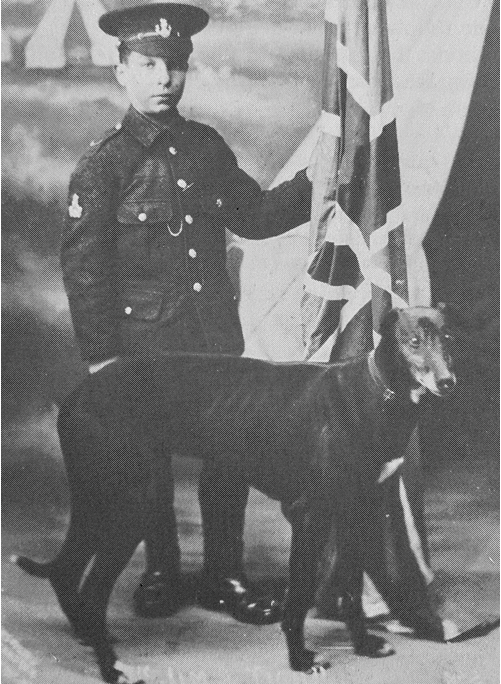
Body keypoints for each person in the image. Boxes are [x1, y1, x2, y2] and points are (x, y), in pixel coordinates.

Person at [61, 2, 312, 625]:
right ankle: (162, 573)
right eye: (147, 65)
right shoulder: (106, 164)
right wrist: (103, 356)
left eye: (174, 66)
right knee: (148, 459)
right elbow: (85, 268)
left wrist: (325, 177)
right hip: (144, 344)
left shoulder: (206, 147)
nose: (163, 79)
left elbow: (254, 218)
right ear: (121, 71)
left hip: (212, 338)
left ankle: (226, 576)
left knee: (228, 457)